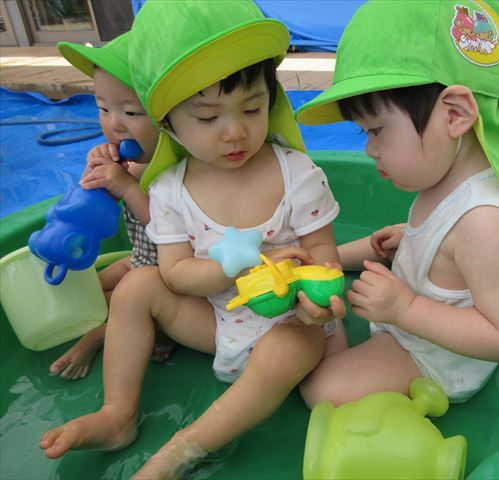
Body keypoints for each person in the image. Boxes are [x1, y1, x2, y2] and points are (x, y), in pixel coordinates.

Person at [39, 1, 346, 477]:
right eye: (207, 118)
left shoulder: (297, 174)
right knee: (136, 287)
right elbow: (176, 274)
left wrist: (316, 296)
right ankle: (118, 414)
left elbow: (324, 252)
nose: (235, 131)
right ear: (166, 122)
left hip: (291, 323)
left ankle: (184, 447)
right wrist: (231, 266)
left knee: (289, 349)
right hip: (216, 319)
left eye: (252, 108)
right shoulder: (169, 190)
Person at [296, 0, 499, 407]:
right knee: (351, 260)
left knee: (319, 390)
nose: (370, 150)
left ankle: (329, 321)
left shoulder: (486, 223)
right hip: (407, 318)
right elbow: (446, 235)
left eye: (376, 130)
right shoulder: (444, 173)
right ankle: (322, 268)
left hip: (436, 356)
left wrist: (404, 308)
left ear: (455, 115)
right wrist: (412, 241)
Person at [48, 33, 173, 380]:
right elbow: (95, 208)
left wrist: (127, 186)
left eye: (130, 112)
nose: (114, 124)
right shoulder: (130, 162)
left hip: (171, 279)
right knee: (86, 294)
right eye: (103, 109)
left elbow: (169, 230)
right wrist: (99, 174)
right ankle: (112, 323)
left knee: (129, 304)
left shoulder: (177, 169)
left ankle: (101, 336)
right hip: (140, 260)